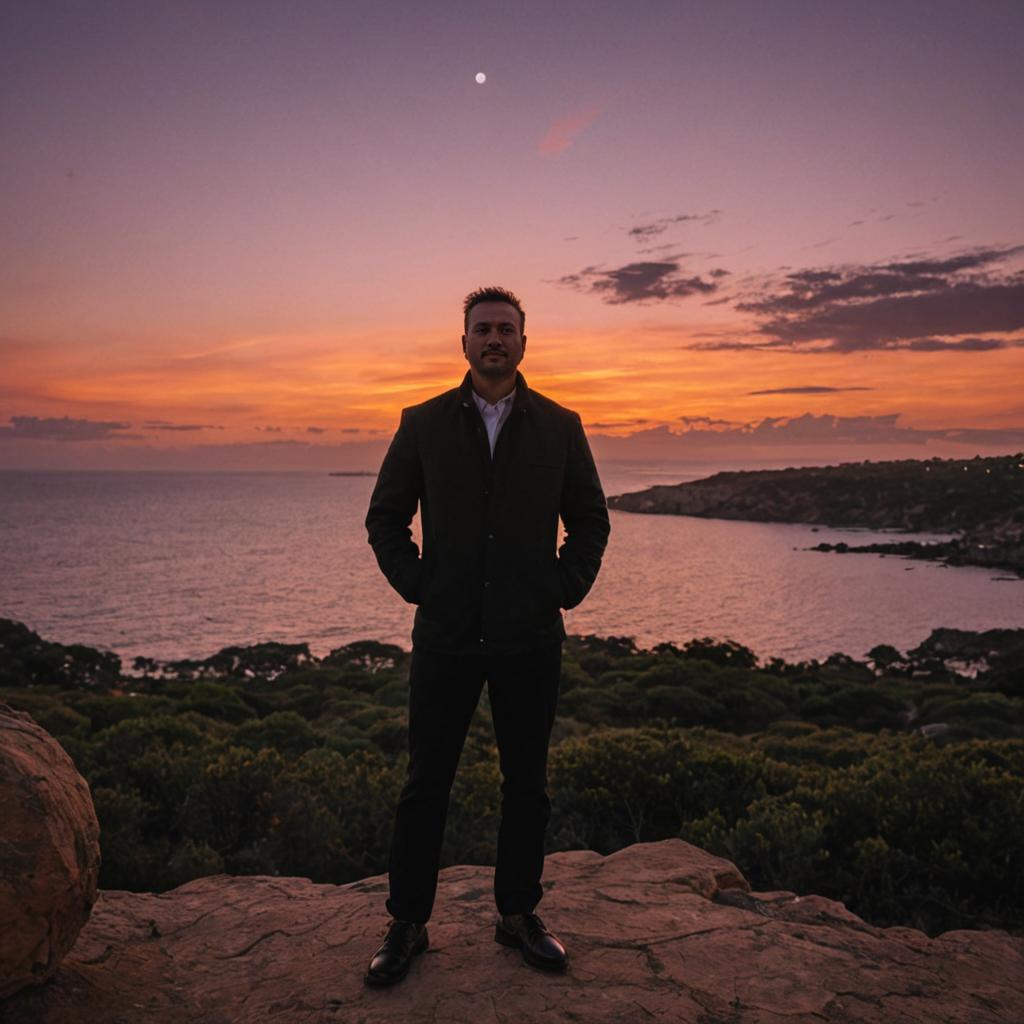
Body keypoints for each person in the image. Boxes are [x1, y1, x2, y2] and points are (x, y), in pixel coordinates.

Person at [362, 285, 610, 986]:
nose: (494, 339)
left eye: (506, 329)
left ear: (524, 343)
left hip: (530, 637)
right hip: (445, 636)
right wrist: (421, 585)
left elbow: (590, 521)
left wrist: (560, 590)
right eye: (483, 330)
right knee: (424, 784)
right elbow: (385, 519)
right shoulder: (422, 423)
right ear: (463, 342)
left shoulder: (561, 426)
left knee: (526, 783)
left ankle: (517, 915)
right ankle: (407, 925)